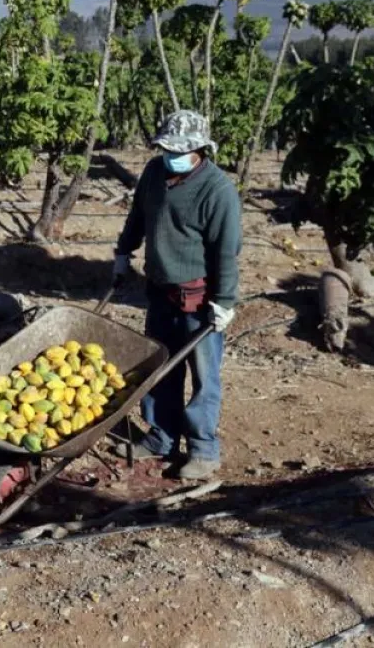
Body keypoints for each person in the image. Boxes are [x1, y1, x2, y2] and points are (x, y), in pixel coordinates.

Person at [113, 110, 241, 480]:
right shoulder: (155, 173)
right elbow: (138, 216)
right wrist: (124, 253)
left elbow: (225, 252)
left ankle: (203, 450)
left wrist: (226, 302)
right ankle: (162, 438)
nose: (170, 155)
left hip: (199, 301)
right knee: (161, 368)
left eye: (178, 150)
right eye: (166, 148)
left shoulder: (217, 190)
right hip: (160, 293)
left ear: (200, 149)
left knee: (204, 377)